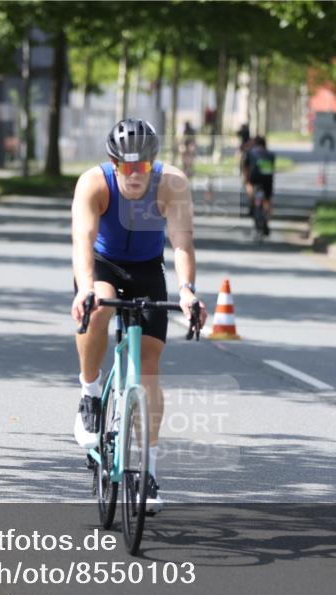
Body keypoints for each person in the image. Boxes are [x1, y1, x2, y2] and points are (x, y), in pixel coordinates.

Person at [70, 118, 208, 513]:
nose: (134, 176)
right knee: (98, 307)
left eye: (142, 167)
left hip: (148, 268)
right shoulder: (93, 184)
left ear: (153, 164)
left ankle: (147, 469)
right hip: (102, 264)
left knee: (148, 367)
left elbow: (181, 242)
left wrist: (187, 291)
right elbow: (82, 240)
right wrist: (84, 288)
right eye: (126, 167)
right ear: (114, 164)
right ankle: (90, 394)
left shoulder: (173, 184)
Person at [244, 135, 275, 236]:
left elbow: (246, 168)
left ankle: (252, 203)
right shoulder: (271, 154)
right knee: (268, 200)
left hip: (254, 179)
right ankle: (267, 221)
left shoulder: (250, 153)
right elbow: (272, 170)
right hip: (267, 179)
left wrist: (246, 181)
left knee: (249, 187)